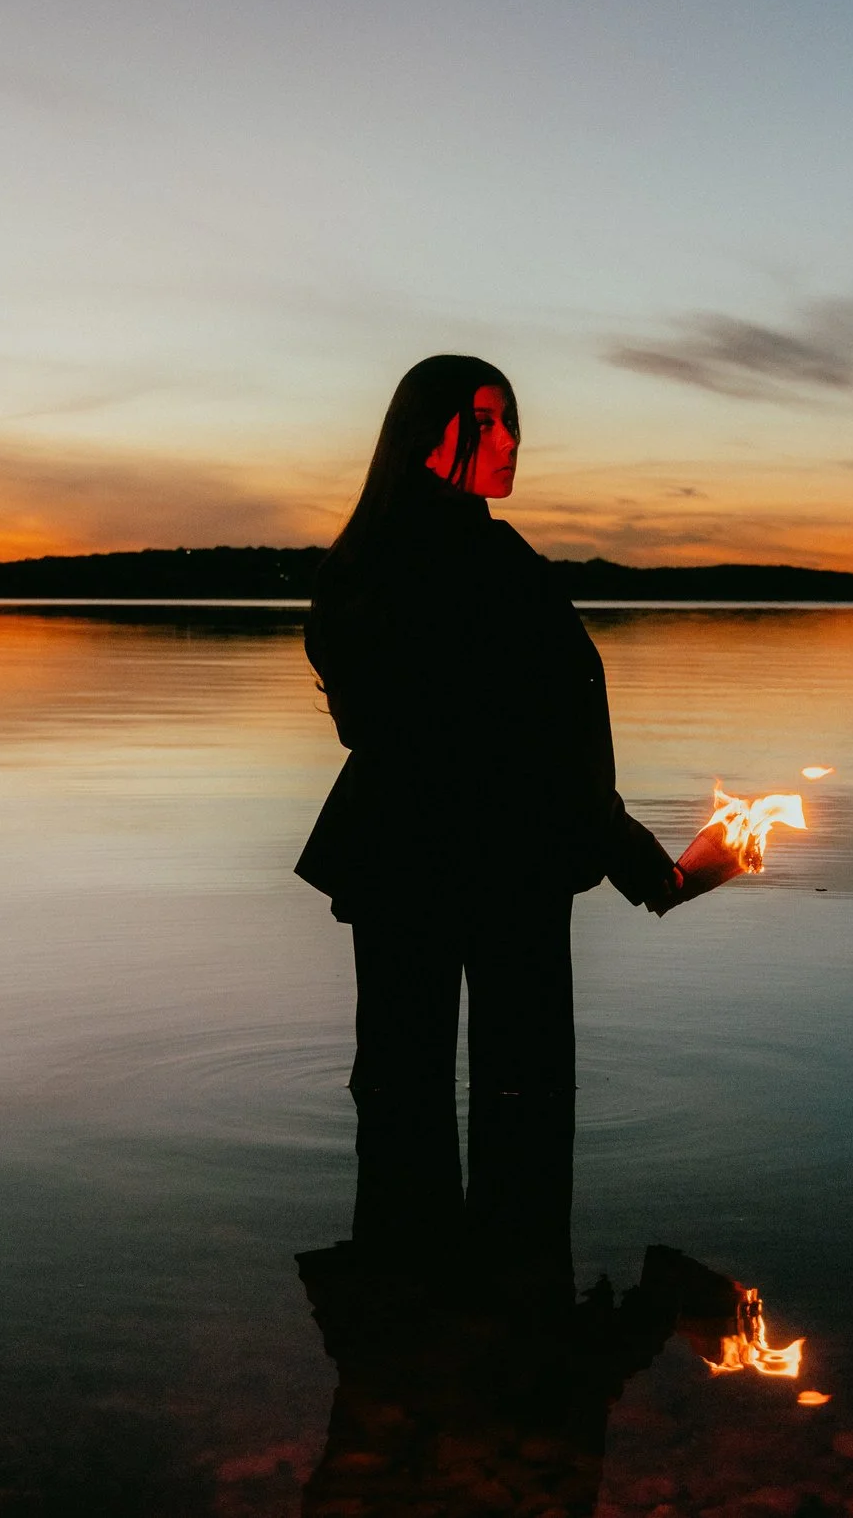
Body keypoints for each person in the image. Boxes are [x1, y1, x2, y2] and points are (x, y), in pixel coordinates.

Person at [297, 356, 724, 1247]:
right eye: (485, 422)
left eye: (512, 421)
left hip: (403, 855)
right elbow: (537, 746)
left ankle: (400, 1345)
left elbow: (409, 727)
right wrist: (652, 870)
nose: (511, 440)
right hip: (495, 865)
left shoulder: (368, 567)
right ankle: (513, 1344)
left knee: (399, 1088)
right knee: (517, 1093)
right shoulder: (481, 568)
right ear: (426, 435)